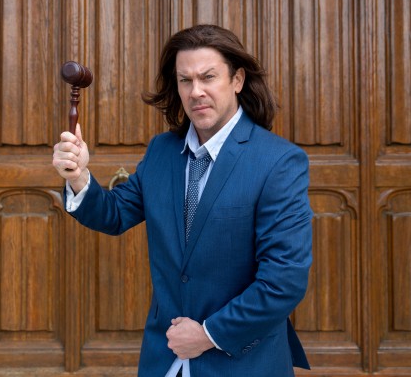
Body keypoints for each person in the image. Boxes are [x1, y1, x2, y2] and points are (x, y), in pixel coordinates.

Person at [52, 24, 312, 376]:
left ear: (237, 80)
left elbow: (284, 281)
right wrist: (79, 176)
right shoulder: (162, 151)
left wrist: (208, 335)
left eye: (208, 77)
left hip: (242, 362)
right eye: (185, 80)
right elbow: (114, 214)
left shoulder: (278, 161)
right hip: (164, 360)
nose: (196, 91)